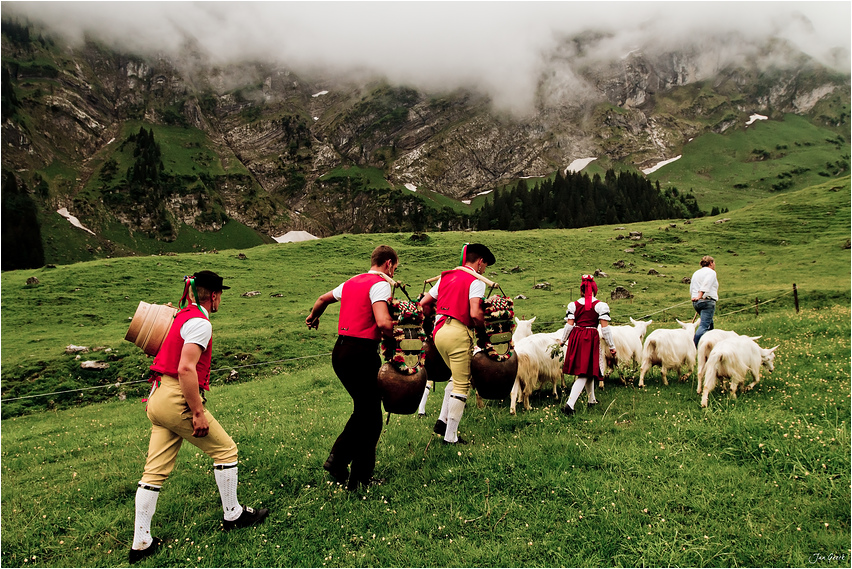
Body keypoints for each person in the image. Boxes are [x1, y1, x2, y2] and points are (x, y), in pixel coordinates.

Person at [130, 271, 268, 564]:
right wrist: (197, 412)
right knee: (226, 450)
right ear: (215, 295)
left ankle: (141, 541)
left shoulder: (181, 315)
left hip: (156, 397)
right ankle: (233, 515)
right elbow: (185, 369)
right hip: (175, 397)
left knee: (153, 473)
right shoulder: (200, 323)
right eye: (221, 295)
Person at [306, 245, 398, 491]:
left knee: (365, 411)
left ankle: (341, 462)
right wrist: (399, 336)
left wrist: (314, 316)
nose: (394, 273)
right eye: (395, 268)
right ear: (388, 264)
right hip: (362, 354)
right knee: (371, 418)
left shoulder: (350, 282)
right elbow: (382, 321)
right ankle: (356, 475)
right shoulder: (380, 283)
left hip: (341, 352)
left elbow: (322, 299)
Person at [419, 243, 496, 444]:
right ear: (480, 262)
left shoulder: (446, 277)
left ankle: (442, 420)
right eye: (485, 265)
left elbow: (424, 303)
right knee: (462, 384)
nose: (484, 269)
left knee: (456, 376)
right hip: (458, 333)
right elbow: (475, 313)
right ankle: (450, 437)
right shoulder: (476, 280)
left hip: (439, 332)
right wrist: (483, 334)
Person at [559, 274, 616, 415]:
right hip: (589, 338)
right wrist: (611, 346)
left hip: (577, 337)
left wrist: (563, 340)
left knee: (589, 369)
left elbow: (569, 326)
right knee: (584, 373)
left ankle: (592, 400)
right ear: (594, 290)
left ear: (582, 290)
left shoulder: (574, 305)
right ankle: (570, 405)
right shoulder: (600, 306)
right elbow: (605, 329)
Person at [690, 255, 719, 346]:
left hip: (696, 302)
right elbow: (706, 284)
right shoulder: (711, 272)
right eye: (714, 263)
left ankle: (709, 346)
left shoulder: (696, 273)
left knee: (710, 325)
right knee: (704, 326)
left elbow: (692, 287)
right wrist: (700, 296)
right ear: (711, 263)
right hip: (706, 301)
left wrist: (695, 298)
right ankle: (693, 347)